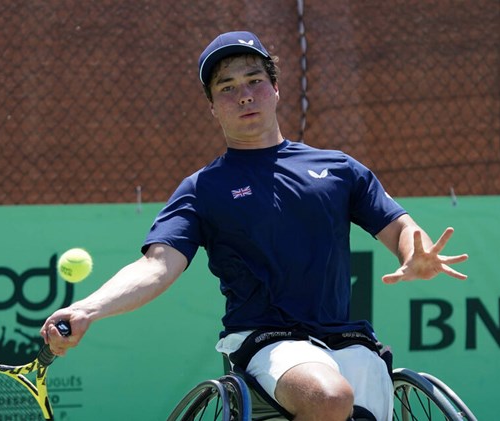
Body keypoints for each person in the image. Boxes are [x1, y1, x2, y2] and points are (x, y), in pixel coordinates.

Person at [41, 31, 468, 421]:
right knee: (330, 397)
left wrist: (417, 255)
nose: (244, 95)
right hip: (266, 341)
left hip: (348, 341)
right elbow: (157, 267)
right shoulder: (203, 188)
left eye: (254, 80)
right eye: (227, 88)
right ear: (212, 108)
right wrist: (87, 309)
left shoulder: (338, 169)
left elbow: (399, 230)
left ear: (276, 89)